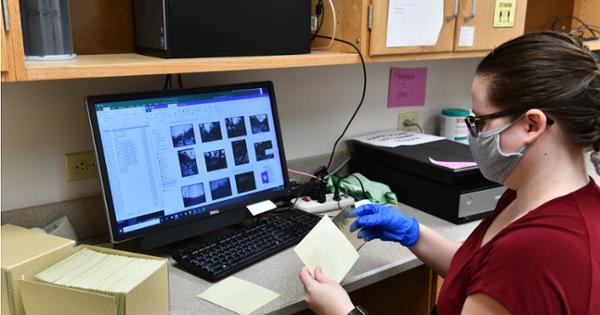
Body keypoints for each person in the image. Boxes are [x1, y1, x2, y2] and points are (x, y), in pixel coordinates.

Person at [298, 31, 600, 315]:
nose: (473, 133)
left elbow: (506, 272)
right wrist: (414, 234)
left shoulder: (534, 250)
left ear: (532, 125)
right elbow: (481, 274)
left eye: (479, 122)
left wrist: (343, 311)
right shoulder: (542, 197)